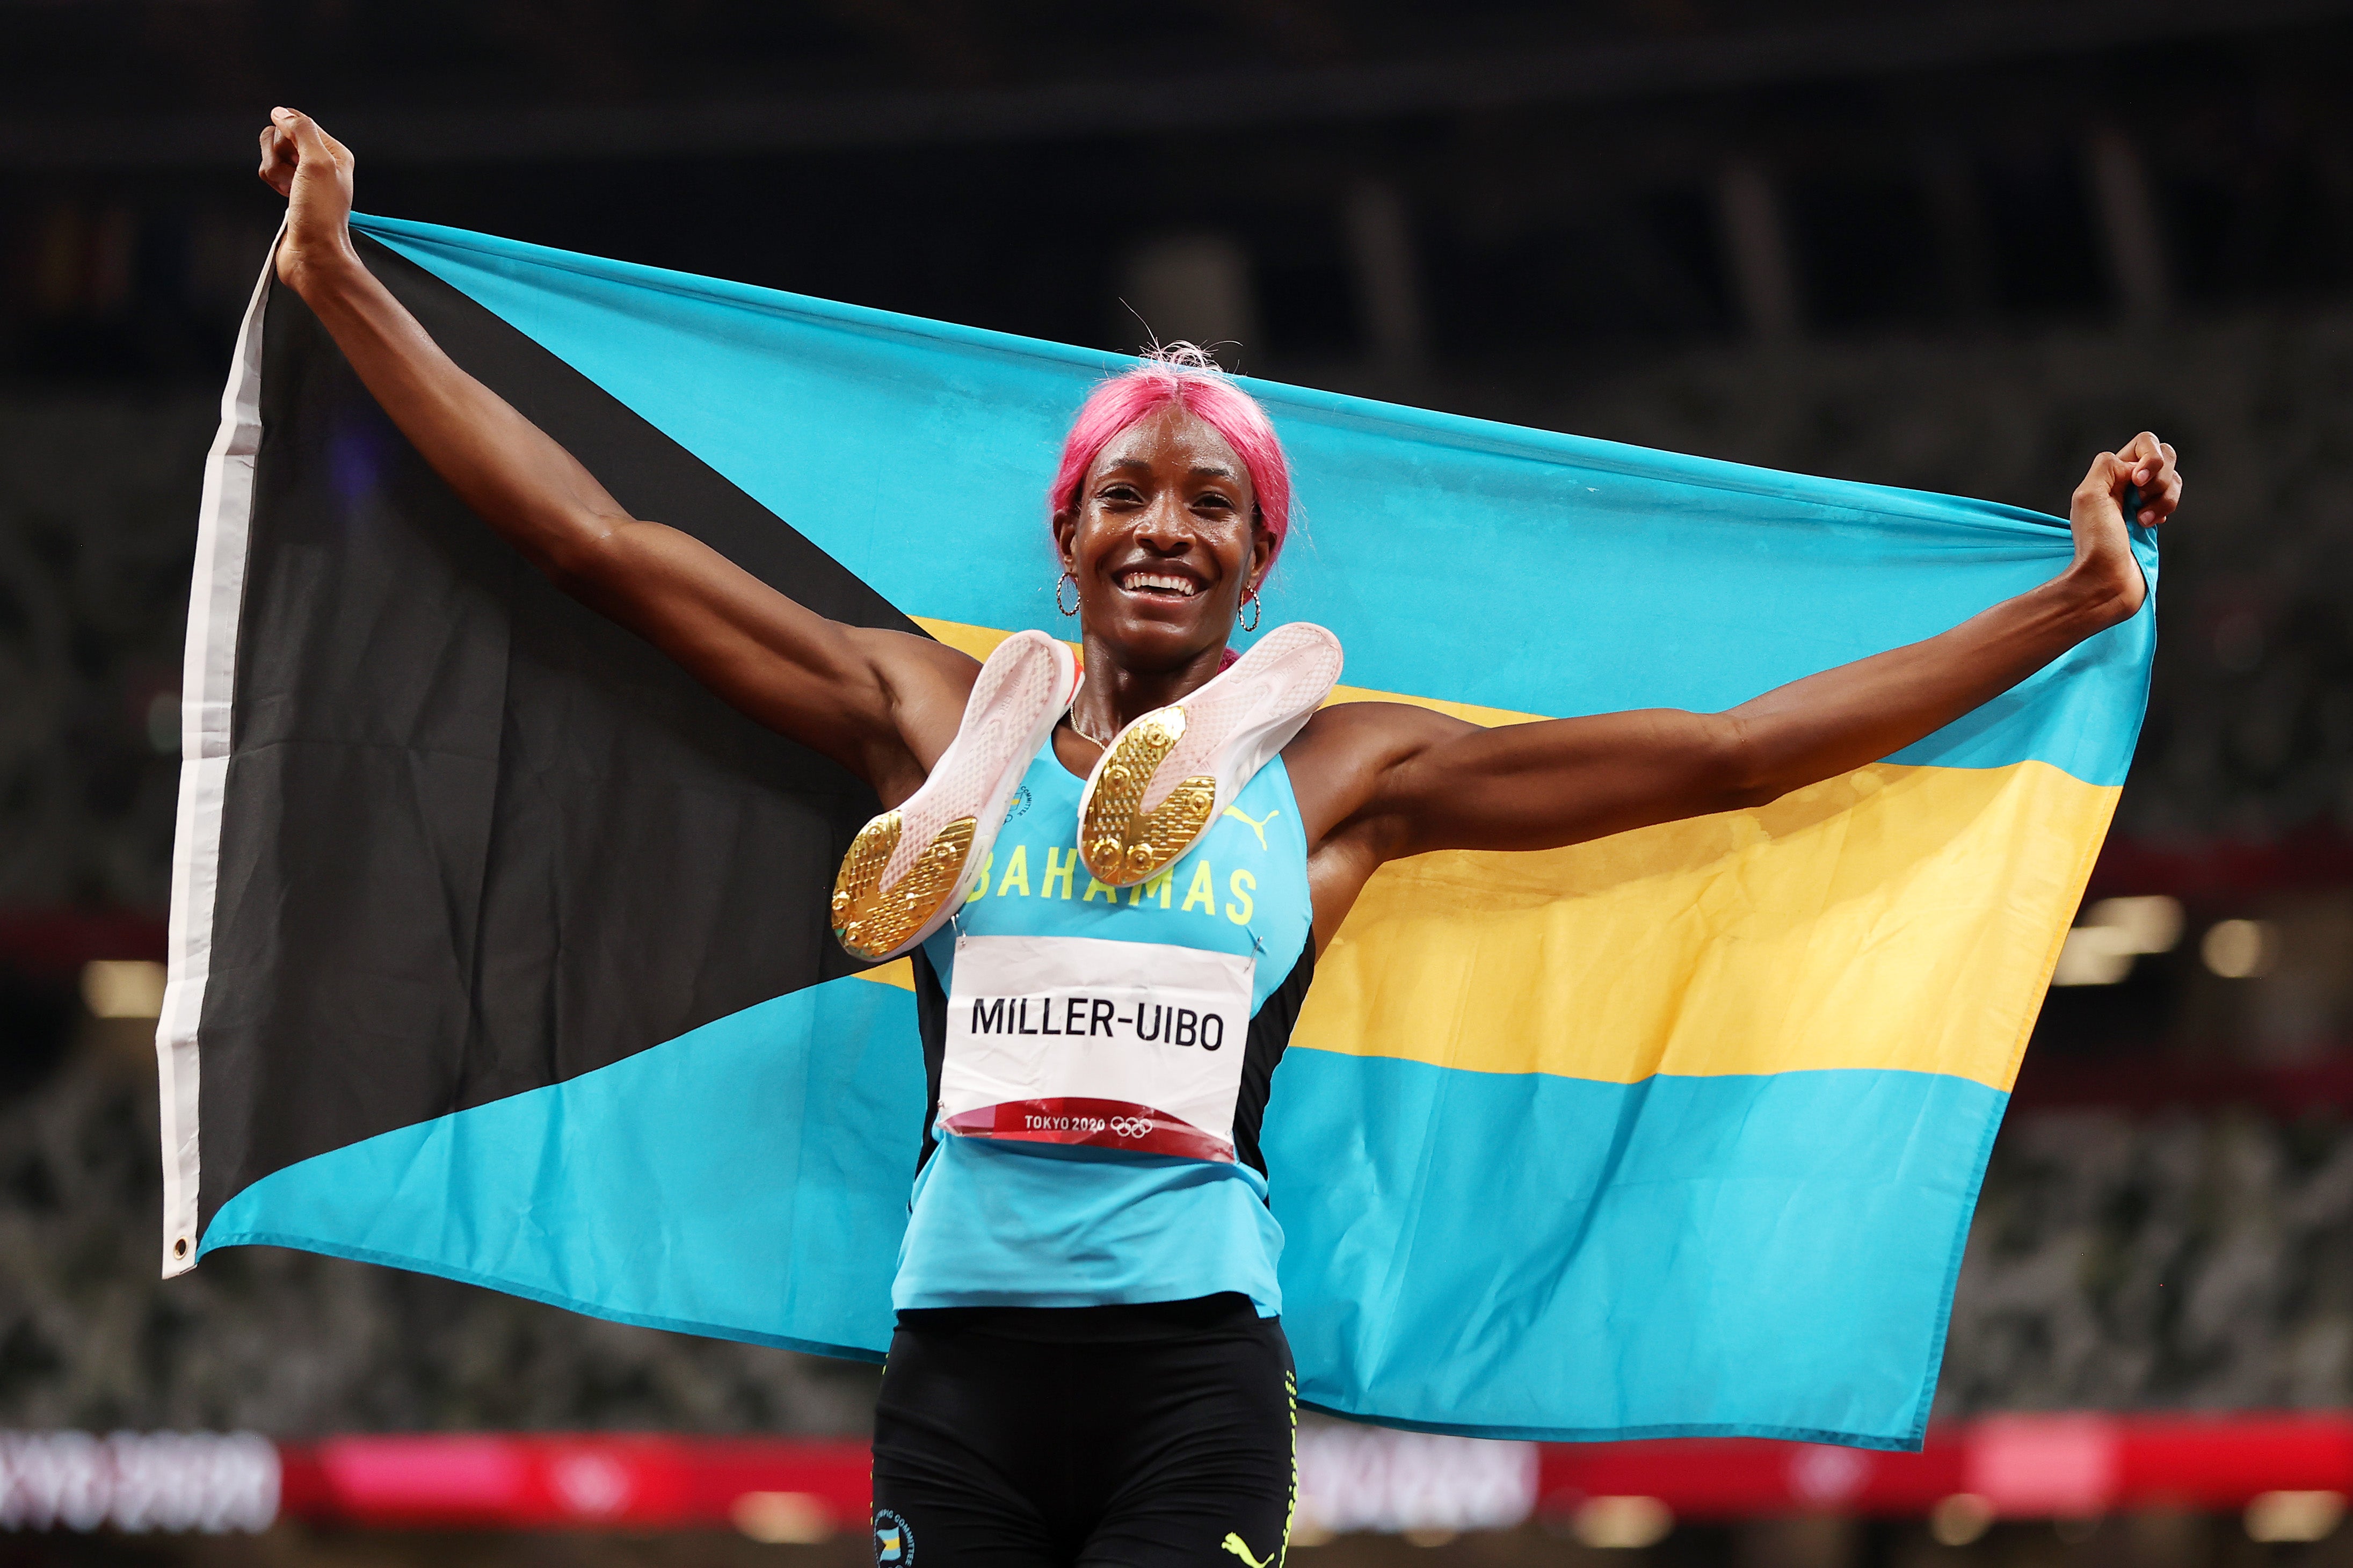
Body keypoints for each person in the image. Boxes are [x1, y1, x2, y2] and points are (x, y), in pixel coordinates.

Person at [257, 106, 2181, 1568]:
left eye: (1209, 503)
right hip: (959, 1354)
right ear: (1070, 541)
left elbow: (1737, 754)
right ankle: (1058, 772)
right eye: (1124, 497)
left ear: (1258, 560)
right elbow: (598, 548)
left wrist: (2069, 607)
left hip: (1193, 1362)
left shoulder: (1342, 776)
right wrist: (338, 273)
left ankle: (1219, 723)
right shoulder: (927, 714)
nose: (1163, 525)